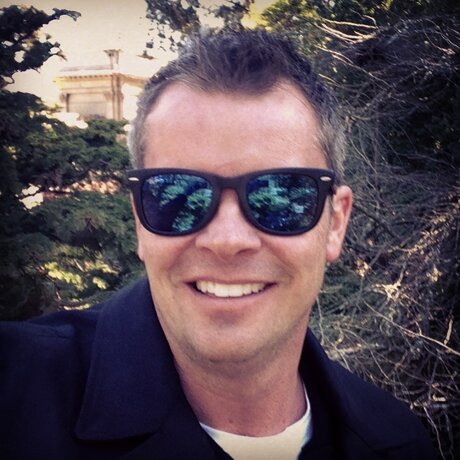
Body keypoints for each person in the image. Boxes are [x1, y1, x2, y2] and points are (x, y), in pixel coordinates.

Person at [0, 30, 436, 460]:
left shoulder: (398, 442)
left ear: (335, 223)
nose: (227, 240)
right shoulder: (13, 394)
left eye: (280, 196)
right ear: (139, 220)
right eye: (178, 195)